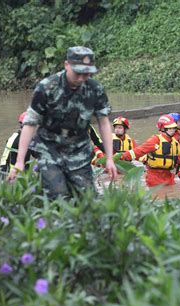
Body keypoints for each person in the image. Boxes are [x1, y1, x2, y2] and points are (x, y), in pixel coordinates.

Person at [7, 46, 117, 198]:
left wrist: (110, 158)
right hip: (49, 149)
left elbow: (103, 123)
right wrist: (19, 162)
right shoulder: (47, 87)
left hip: (79, 151)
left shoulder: (95, 90)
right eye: (77, 73)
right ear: (67, 65)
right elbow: (30, 123)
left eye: (86, 74)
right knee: (57, 194)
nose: (81, 78)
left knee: (87, 198)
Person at [120, 115, 180, 187]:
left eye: (173, 128)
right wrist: (122, 157)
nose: (172, 130)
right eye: (169, 128)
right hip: (154, 177)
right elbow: (139, 151)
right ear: (162, 128)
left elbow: (179, 159)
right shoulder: (155, 140)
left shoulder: (176, 142)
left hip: (169, 176)